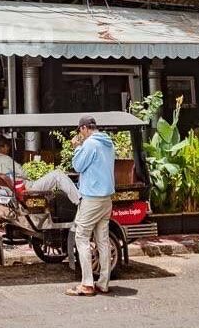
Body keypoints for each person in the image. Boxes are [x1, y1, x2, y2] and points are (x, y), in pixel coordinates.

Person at [66, 115, 115, 297]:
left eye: (80, 130)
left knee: (82, 237)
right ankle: (103, 282)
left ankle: (87, 284)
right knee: (102, 240)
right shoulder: (108, 143)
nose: (81, 134)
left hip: (92, 198)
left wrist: (77, 147)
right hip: (106, 199)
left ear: (84, 128)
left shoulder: (90, 144)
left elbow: (77, 166)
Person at [0, 134, 80, 204]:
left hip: (5, 193)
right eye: (6, 146)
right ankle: (79, 201)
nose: (8, 148)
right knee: (58, 174)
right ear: (1, 147)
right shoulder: (6, 160)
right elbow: (25, 174)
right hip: (25, 190)